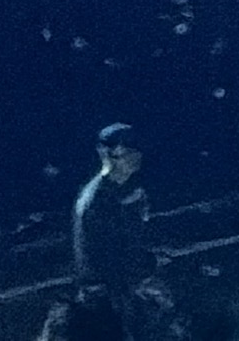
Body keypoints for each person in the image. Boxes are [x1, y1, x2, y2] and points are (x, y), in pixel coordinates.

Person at [72, 125, 157, 340]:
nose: (137, 156)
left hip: (124, 293)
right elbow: (105, 254)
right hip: (108, 300)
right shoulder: (97, 200)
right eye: (128, 151)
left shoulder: (126, 192)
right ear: (110, 156)